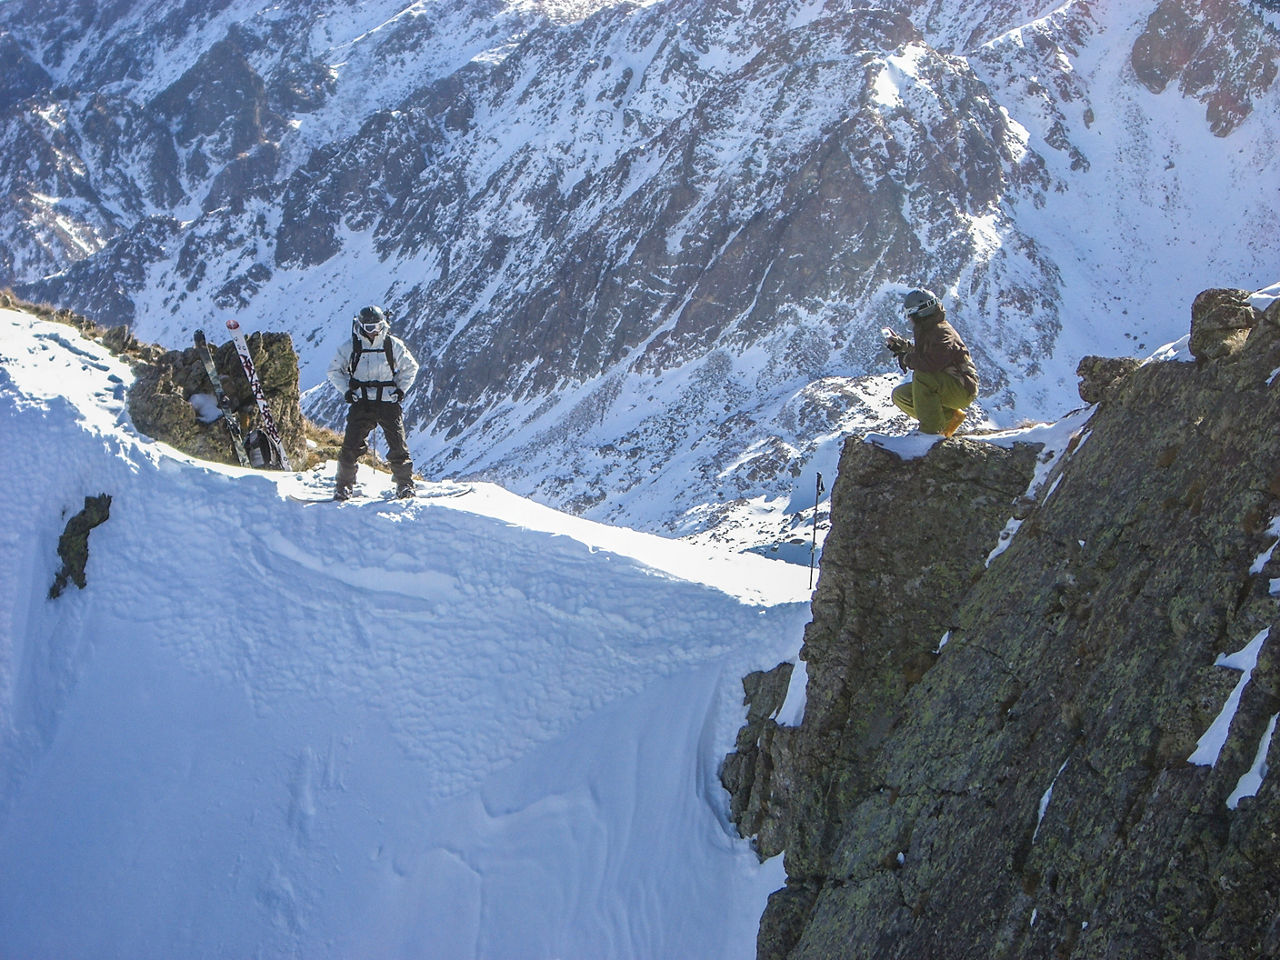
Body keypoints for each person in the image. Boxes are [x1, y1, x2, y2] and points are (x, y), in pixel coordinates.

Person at [326, 305, 421, 500]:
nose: (373, 331)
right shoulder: (351, 347)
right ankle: (343, 486)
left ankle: (405, 485)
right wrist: (347, 391)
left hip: (387, 400)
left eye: (377, 326)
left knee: (397, 445)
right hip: (362, 401)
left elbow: (410, 367)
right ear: (360, 326)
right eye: (369, 327)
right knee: (351, 445)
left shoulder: (392, 344)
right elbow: (334, 371)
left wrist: (400, 389)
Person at [885, 288, 979, 438]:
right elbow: (927, 354)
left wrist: (906, 359)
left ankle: (929, 432)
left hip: (962, 388)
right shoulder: (930, 330)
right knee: (901, 395)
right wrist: (903, 347)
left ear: (919, 313)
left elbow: (931, 363)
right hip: (949, 386)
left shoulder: (943, 332)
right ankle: (949, 419)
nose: (909, 318)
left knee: (922, 376)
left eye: (911, 314)